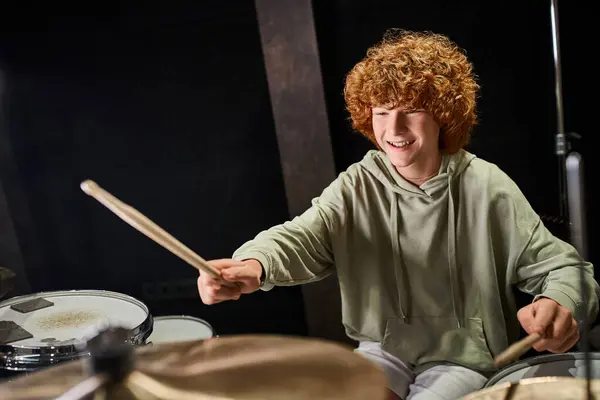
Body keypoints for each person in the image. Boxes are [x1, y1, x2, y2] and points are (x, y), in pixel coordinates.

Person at [197, 30, 600, 399]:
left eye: (412, 110)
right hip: (383, 348)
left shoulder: (486, 185)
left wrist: (560, 302)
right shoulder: (357, 184)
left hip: (467, 358)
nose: (395, 127)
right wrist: (254, 264)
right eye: (382, 111)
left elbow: (565, 268)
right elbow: (302, 236)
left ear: (442, 114)